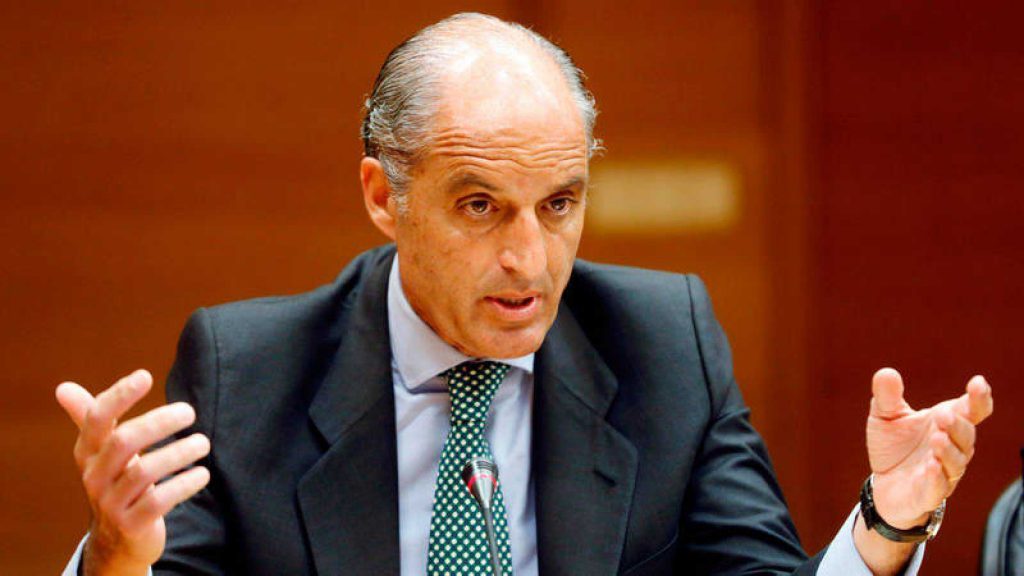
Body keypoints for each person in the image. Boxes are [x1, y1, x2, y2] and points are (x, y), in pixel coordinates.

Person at [58, 12, 994, 576]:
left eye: (558, 205)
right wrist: (115, 555)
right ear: (384, 196)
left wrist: (883, 526)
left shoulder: (665, 347)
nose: (529, 259)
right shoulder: (246, 373)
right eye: (480, 207)